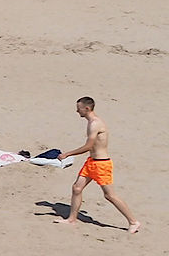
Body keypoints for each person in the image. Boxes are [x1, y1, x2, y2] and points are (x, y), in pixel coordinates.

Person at [59, 96, 141, 233]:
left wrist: (68, 154)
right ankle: (72, 219)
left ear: (87, 108)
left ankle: (134, 222)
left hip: (102, 164)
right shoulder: (91, 122)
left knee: (110, 195)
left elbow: (88, 146)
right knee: (77, 188)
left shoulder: (95, 124)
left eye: (78, 108)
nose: (76, 111)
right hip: (92, 162)